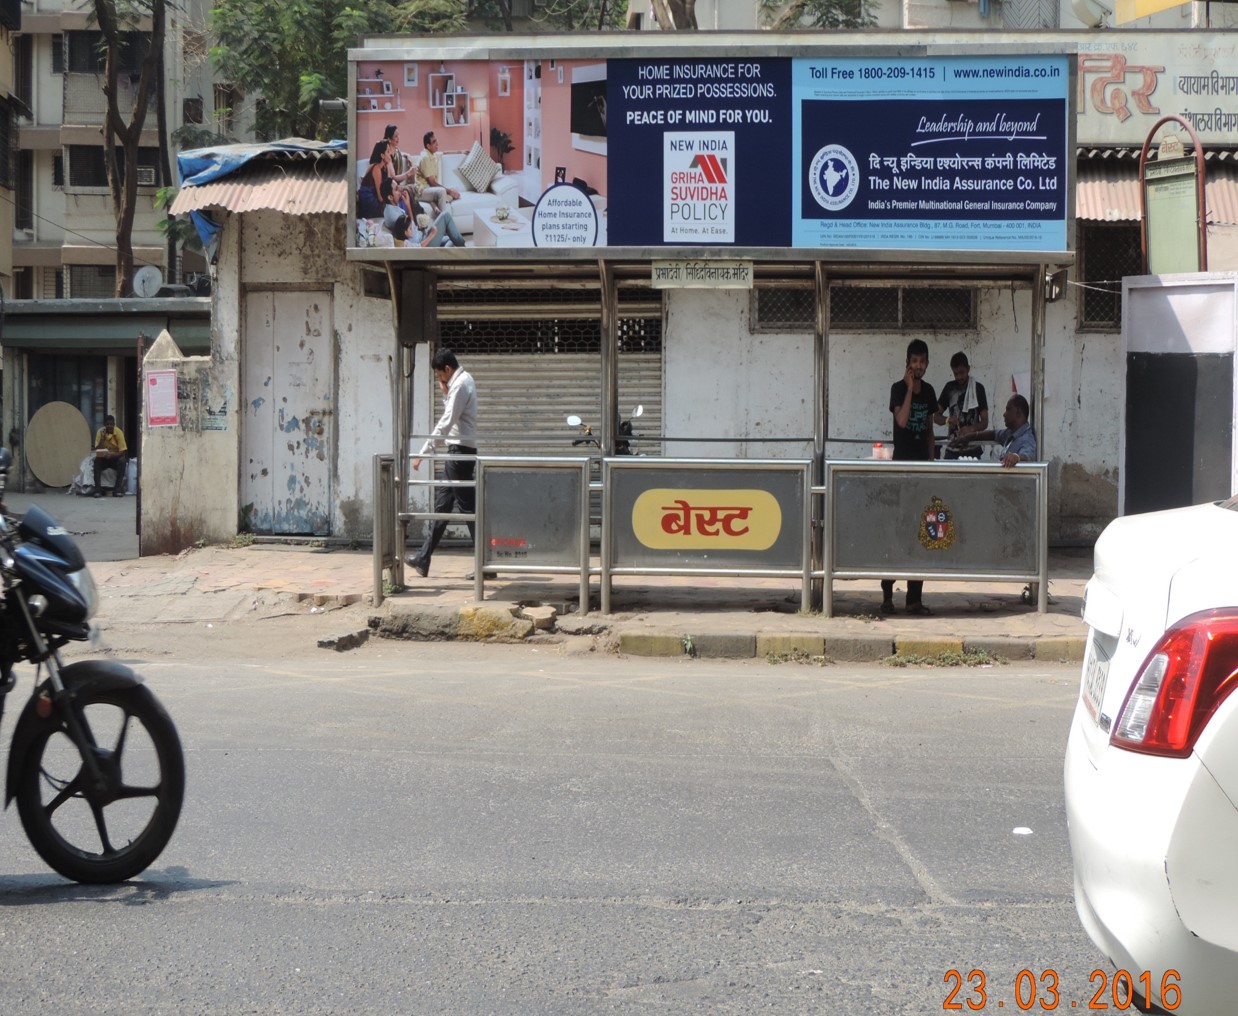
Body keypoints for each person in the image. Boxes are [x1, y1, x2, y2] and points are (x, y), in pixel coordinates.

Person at [407, 350, 477, 578]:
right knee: (443, 506)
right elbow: (452, 412)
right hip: (456, 452)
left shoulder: (461, 384)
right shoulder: (459, 383)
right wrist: (445, 393)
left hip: (459, 453)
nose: (440, 380)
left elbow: (447, 421)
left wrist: (423, 452)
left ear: (447, 369)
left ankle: (486, 564)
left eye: (439, 375)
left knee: (469, 510)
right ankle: (423, 558)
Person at [882, 339, 936, 616]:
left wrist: (932, 462)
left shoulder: (930, 392)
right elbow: (902, 421)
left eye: (922, 362)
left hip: (922, 471)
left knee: (920, 534)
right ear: (907, 363)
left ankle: (914, 598)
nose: (918, 366)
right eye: (913, 361)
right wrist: (908, 390)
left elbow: (928, 430)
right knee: (897, 531)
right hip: (901, 469)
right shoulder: (897, 389)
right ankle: (887, 594)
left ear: (927, 364)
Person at [950, 394, 1038, 468]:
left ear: (1018, 413)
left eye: (1008, 409)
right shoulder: (1010, 433)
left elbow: (1028, 455)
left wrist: (1016, 457)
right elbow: (993, 434)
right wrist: (968, 437)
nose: (1004, 414)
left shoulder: (1026, 438)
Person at [934, 351, 988, 460]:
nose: (959, 377)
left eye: (961, 373)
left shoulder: (978, 389)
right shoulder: (949, 388)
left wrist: (971, 429)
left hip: (973, 450)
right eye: (955, 374)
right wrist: (948, 420)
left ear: (968, 369)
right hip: (952, 450)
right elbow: (935, 417)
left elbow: (985, 422)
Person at [415, 131, 460, 217]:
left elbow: (444, 153)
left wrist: (461, 151)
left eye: (436, 140)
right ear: (428, 146)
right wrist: (449, 191)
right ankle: (444, 220)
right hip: (422, 191)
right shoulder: (425, 158)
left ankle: (434, 204)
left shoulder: (433, 155)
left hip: (430, 189)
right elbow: (432, 182)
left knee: (455, 189)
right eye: (434, 142)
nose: (437, 143)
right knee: (443, 191)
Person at [92, 414, 128, 498]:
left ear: (114, 425)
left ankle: (117, 489)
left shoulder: (118, 432)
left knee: (122, 461)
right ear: (104, 425)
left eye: (111, 424)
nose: (109, 426)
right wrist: (102, 439)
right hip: (104, 459)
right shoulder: (100, 432)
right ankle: (98, 490)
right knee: (96, 461)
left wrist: (112, 456)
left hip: (114, 458)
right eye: (107, 424)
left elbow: (122, 451)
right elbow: (97, 449)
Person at [357, 140, 389, 220]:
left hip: (374, 201)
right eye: (388, 152)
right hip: (370, 204)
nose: (390, 154)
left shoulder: (382, 168)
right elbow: (380, 197)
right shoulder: (376, 169)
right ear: (382, 155)